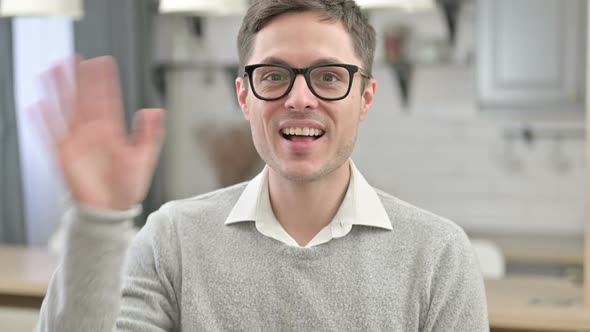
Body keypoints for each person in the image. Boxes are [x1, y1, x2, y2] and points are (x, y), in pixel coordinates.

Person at [35, 0, 489, 331]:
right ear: (244, 96)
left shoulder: (439, 255)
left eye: (329, 76)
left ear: (365, 98)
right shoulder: (173, 238)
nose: (299, 98)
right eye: (273, 75)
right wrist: (97, 222)